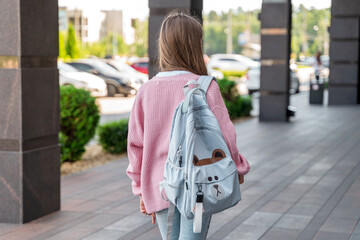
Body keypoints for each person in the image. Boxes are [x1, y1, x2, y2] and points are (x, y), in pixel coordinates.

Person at [126, 12, 250, 240]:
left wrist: (140, 188)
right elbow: (225, 137)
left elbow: (136, 146)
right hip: (198, 185)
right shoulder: (205, 87)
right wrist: (237, 169)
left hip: (158, 187)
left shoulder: (146, 91)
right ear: (194, 45)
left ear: (164, 45)